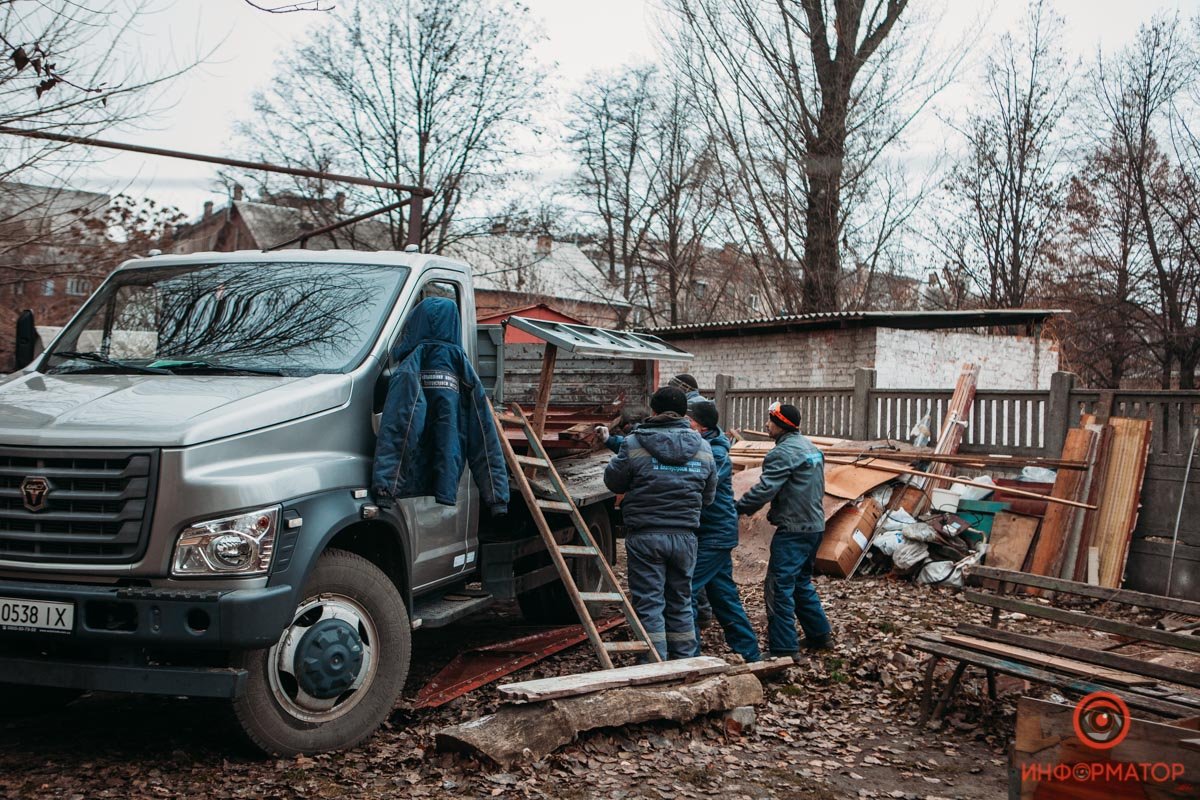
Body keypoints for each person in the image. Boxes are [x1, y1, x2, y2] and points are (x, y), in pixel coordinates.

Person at [603, 386, 717, 660]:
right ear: (682, 414)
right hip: (685, 537)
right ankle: (685, 664)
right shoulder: (703, 446)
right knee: (680, 602)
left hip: (646, 535)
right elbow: (709, 496)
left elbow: (613, 481)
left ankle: (654, 665)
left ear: (653, 411)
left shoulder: (634, 443)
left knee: (650, 605)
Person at [735, 402, 832, 656]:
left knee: (779, 587)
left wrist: (737, 507)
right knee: (800, 582)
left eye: (770, 421)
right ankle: (819, 634)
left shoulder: (782, 453)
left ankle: (783, 649)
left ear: (780, 424)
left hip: (794, 529)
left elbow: (766, 489)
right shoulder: (812, 448)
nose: (766, 425)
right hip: (815, 526)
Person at [686, 400, 762, 663]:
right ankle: (750, 654)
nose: (687, 425)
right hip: (713, 532)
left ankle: (690, 657)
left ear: (702, 426)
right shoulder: (706, 445)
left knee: (687, 590)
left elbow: (700, 480)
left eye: (690, 421)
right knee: (724, 597)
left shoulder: (716, 453)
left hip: (715, 533)